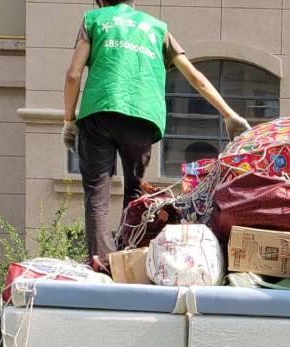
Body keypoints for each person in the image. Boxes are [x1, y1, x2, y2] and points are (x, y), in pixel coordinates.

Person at [61, 0, 250, 264]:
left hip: (100, 112)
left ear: (100, 1)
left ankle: (101, 262)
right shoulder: (158, 29)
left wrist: (69, 120)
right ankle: (128, 256)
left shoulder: (94, 20)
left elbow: (73, 75)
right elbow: (195, 77)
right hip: (143, 118)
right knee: (135, 191)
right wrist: (228, 114)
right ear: (134, 1)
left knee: (97, 192)